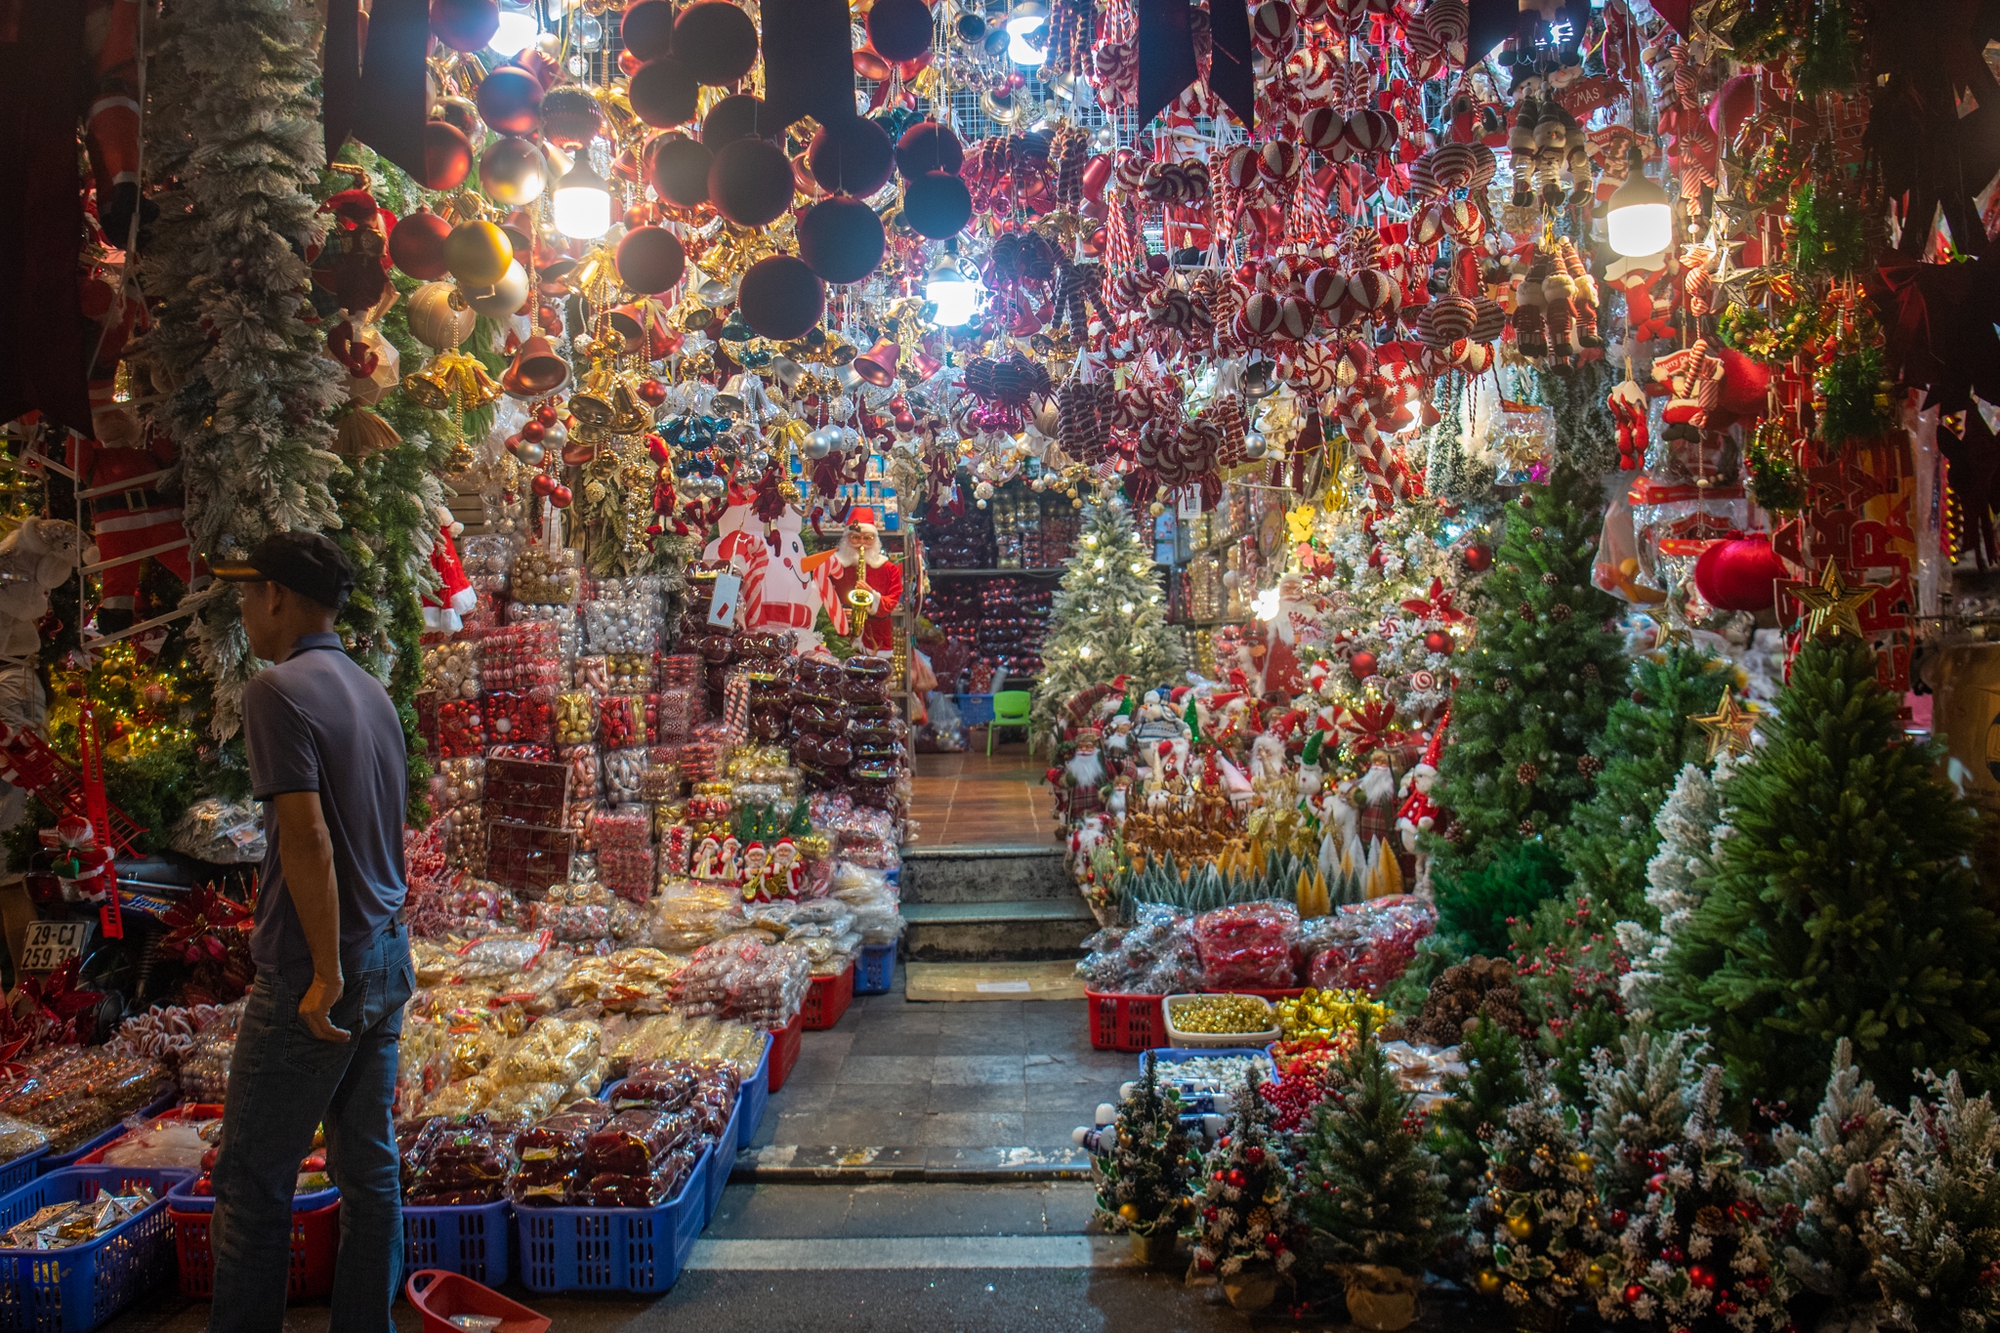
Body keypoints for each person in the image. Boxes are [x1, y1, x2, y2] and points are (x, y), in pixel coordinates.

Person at [205, 531, 412, 1333]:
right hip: (387, 950)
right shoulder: (371, 690)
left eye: (246, 592)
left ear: (278, 596)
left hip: (316, 968)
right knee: (369, 1168)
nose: (242, 607)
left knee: (252, 1183)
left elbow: (308, 838)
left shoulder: (275, 691)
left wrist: (324, 972)